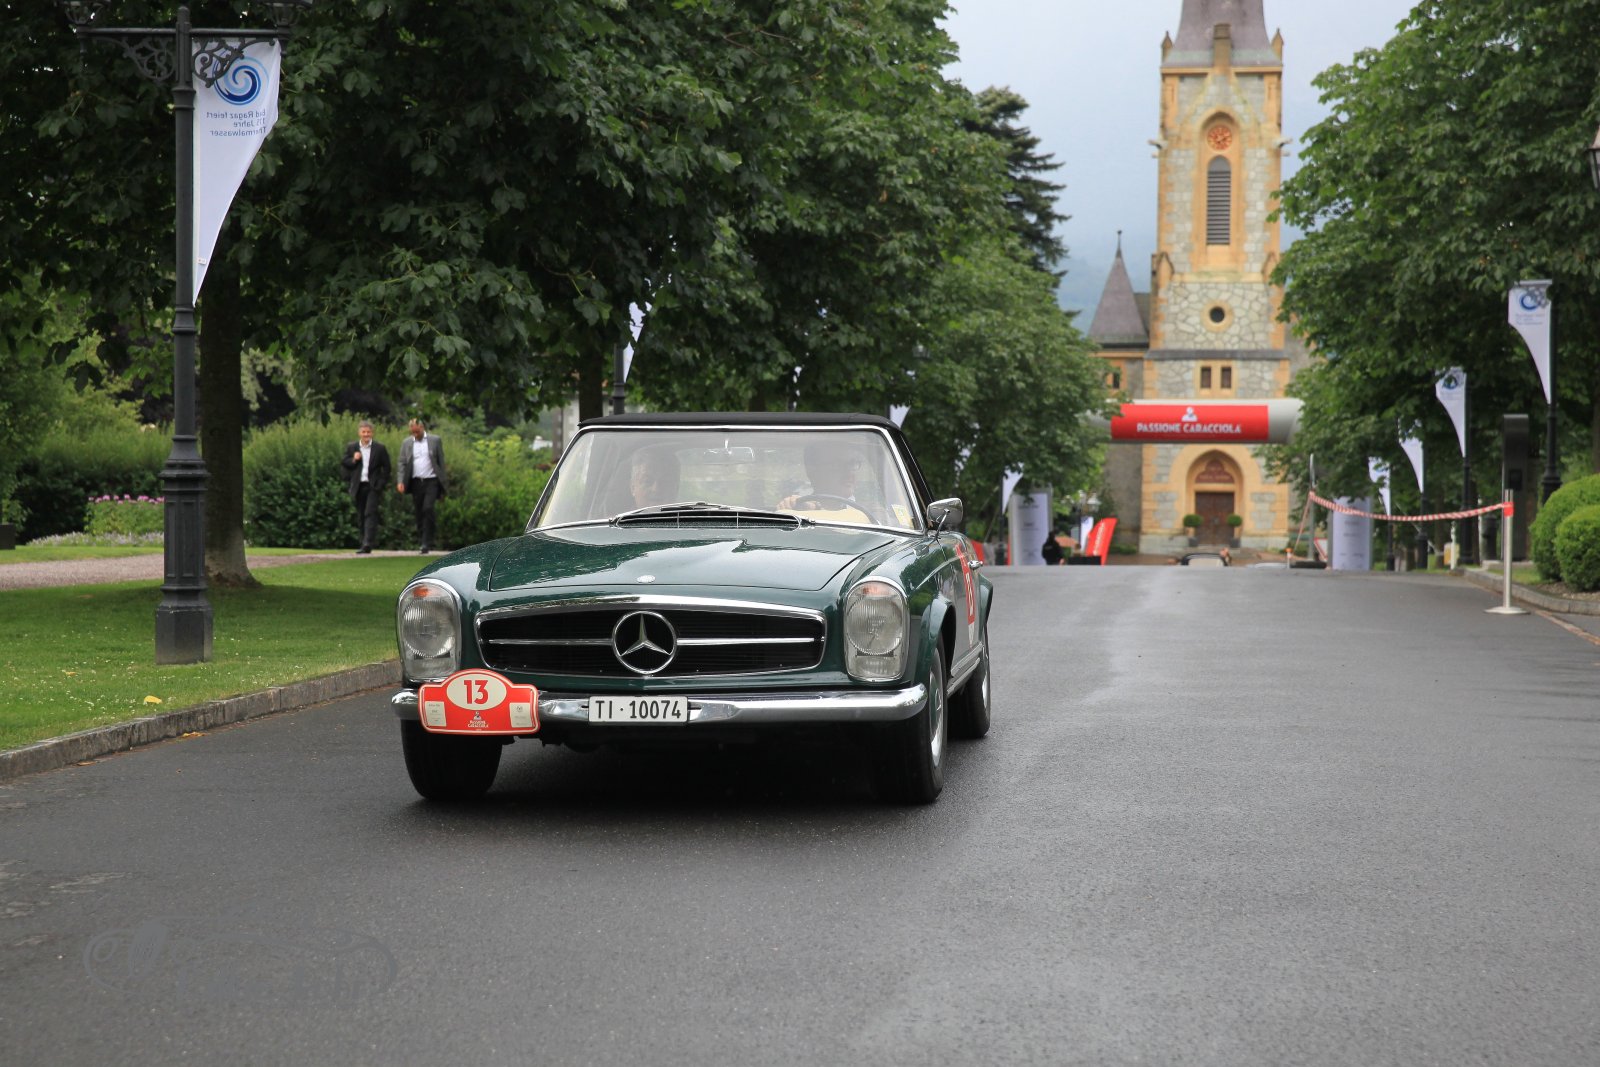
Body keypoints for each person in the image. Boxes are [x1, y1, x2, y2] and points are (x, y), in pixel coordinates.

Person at [396, 417, 448, 553]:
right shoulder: (407, 443)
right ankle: (423, 539)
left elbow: (441, 462)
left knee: (428, 508)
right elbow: (402, 463)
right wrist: (400, 481)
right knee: (419, 511)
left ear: (422, 428)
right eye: (412, 432)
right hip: (415, 482)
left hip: (432, 480)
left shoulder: (435, 440)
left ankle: (427, 542)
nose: (415, 434)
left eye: (417, 431)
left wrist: (444, 484)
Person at [341, 421, 391, 554]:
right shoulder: (352, 447)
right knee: (361, 514)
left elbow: (387, 468)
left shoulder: (380, 448)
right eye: (364, 432)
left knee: (370, 512)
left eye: (368, 432)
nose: (366, 434)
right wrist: (354, 459)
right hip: (359, 485)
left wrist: (380, 484)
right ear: (359, 433)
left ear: (372, 433)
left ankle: (368, 543)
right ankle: (363, 542)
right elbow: (344, 462)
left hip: (373, 486)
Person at [777, 441, 864, 512]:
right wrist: (790, 505)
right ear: (812, 471)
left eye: (852, 464)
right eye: (837, 465)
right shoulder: (797, 512)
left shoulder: (867, 512)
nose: (849, 473)